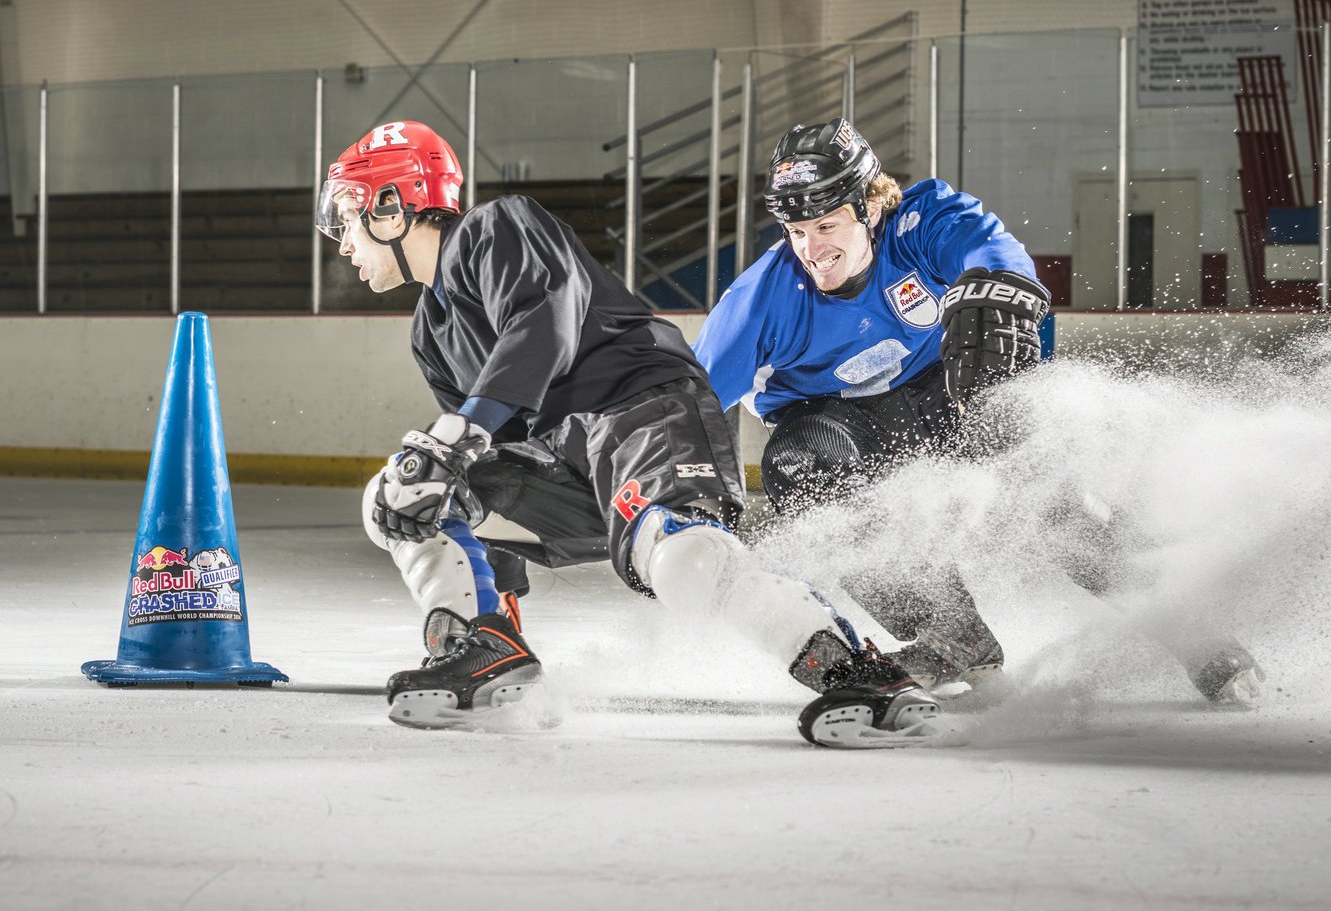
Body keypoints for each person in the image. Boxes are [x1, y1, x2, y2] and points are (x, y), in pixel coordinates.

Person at [315, 119, 956, 748]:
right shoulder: (431, 332)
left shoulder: (495, 227)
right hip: (563, 460)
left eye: (347, 214)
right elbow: (497, 455)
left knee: (686, 562)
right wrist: (499, 604)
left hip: (644, 410)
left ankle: (862, 673)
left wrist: (459, 432)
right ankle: (480, 651)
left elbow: (545, 321)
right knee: (407, 494)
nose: (341, 241)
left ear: (394, 205)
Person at [693, 117, 1264, 705]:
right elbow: (685, 401)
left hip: (947, 393)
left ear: (869, 205)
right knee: (802, 466)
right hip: (838, 421)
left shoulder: (923, 220)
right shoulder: (759, 299)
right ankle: (952, 637)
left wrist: (995, 289)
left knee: (1046, 492)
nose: (812, 250)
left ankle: (1193, 632)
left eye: (826, 225)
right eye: (795, 231)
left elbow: (992, 252)